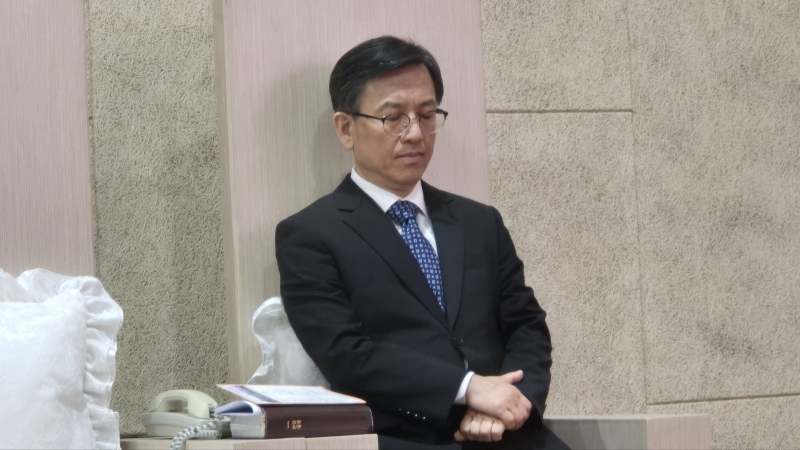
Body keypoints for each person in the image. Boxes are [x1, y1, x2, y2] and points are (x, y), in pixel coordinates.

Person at [275, 36, 567, 450]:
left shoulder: (479, 222)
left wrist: (512, 403)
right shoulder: (310, 234)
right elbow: (346, 355)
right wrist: (467, 389)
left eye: (427, 115)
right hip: (405, 438)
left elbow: (527, 326)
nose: (414, 133)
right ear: (346, 129)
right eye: (393, 117)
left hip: (510, 436)